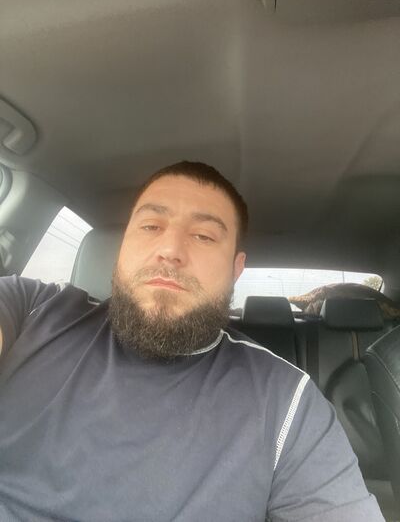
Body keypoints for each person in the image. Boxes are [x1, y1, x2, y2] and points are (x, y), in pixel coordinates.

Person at [0, 161, 384, 521]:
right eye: (150, 226)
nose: (170, 250)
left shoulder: (287, 402)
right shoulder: (33, 308)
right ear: (123, 247)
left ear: (235, 269)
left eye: (203, 235)